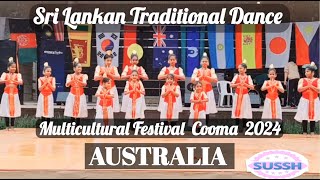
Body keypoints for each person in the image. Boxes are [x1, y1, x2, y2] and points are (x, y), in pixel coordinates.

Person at [191, 52, 218, 123]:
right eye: (203, 61)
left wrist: (206, 77)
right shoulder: (197, 70)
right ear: (200, 62)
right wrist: (200, 77)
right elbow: (193, 80)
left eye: (206, 61)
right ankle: (197, 125)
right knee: (198, 108)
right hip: (198, 92)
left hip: (208, 91)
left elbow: (215, 80)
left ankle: (206, 125)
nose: (204, 62)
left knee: (207, 109)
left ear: (208, 63)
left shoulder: (211, 70)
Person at [294, 62, 320, 135]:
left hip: (314, 100)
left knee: (313, 115)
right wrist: (308, 86)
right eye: (305, 71)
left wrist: (312, 86)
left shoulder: (318, 80)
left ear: (312, 72)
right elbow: (299, 89)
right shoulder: (302, 80)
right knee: (304, 115)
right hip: (305, 100)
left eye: (307, 71)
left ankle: (312, 131)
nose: (306, 73)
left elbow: (319, 90)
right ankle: (304, 131)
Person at [230, 60, 255, 132]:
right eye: (238, 68)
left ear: (245, 69)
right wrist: (238, 84)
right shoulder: (236, 76)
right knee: (236, 110)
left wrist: (245, 84)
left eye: (241, 68)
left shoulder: (248, 77)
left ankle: (244, 128)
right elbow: (231, 85)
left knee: (245, 111)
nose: (239, 70)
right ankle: (236, 127)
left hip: (244, 96)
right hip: (237, 95)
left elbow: (252, 87)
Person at [0, 57, 23, 130]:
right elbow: (1, 80)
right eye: (12, 67)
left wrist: (13, 81)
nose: (13, 68)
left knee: (14, 109)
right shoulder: (5, 74)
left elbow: (21, 82)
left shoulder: (18, 75)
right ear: (8, 68)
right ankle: (7, 126)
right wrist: (8, 80)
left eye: (14, 67)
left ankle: (12, 126)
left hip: (14, 94)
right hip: (6, 94)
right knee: (6, 109)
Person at [64, 58, 88, 126]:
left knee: (79, 109)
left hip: (80, 95)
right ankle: (72, 124)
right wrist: (73, 80)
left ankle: (78, 124)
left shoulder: (84, 76)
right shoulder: (70, 76)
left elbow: (84, 84)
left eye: (81, 67)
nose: (80, 68)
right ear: (74, 68)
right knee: (72, 109)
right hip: (73, 95)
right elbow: (67, 84)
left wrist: (78, 80)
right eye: (78, 67)